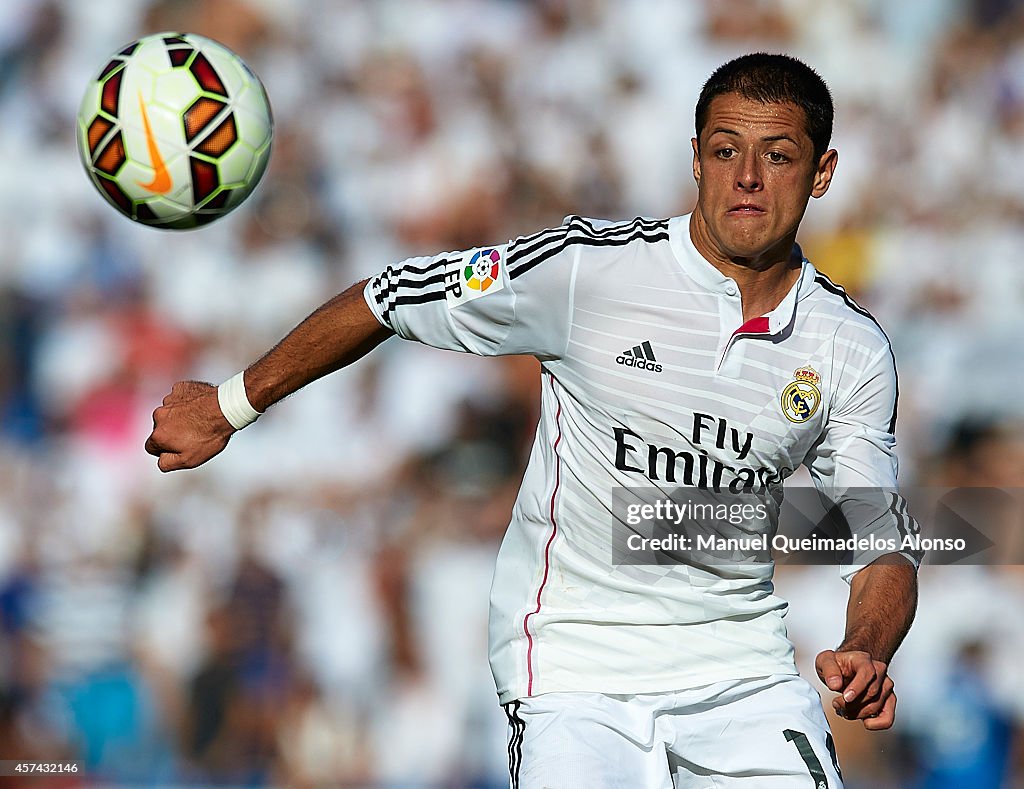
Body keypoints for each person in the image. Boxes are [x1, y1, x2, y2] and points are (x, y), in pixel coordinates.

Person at [147, 53, 919, 788]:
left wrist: (866, 645)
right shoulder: (587, 269)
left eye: (778, 155)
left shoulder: (847, 347)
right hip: (574, 669)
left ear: (822, 172)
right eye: (725, 150)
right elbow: (387, 294)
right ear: (694, 158)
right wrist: (228, 404)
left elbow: (879, 541)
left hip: (743, 673)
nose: (747, 176)